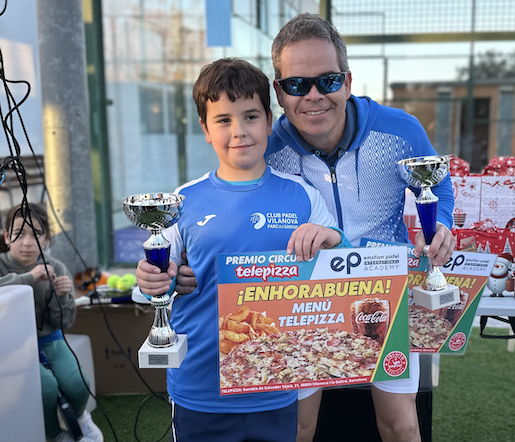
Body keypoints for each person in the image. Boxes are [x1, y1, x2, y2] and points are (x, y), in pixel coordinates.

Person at [151, 13, 457, 442]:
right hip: (306, 301)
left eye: (328, 81)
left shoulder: (400, 130)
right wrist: (182, 266)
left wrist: (440, 224)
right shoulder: (266, 143)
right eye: (297, 84)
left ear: (347, 80)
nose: (313, 96)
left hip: (383, 289)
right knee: (298, 427)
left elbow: (438, 188)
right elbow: (227, 204)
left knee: (401, 425)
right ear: (279, 93)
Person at [135, 58, 345, 442]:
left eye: (250, 117)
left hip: (277, 384)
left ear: (268, 120)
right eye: (223, 120)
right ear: (205, 129)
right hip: (201, 390)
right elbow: (156, 282)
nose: (239, 131)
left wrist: (332, 239)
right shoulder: (182, 201)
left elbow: (343, 270)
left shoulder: (303, 196)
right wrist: (152, 279)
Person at [0, 204, 103, 442]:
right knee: (45, 389)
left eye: (36, 233)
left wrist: (63, 296)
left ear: (47, 238)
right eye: (19, 233)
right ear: (6, 236)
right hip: (10, 348)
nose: (27, 242)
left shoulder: (56, 267)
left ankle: (79, 417)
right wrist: (28, 278)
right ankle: (53, 435)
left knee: (78, 383)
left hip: (49, 339)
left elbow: (63, 322)